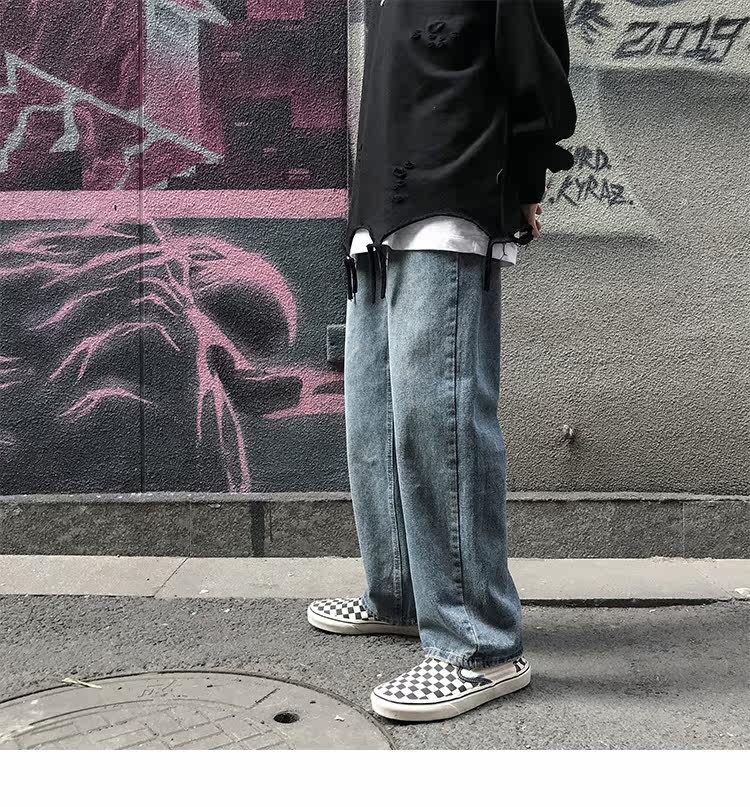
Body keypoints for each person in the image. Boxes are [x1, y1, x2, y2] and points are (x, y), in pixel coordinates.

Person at [307, 0, 577, 722]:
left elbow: (536, 59)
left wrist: (526, 180)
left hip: (454, 190)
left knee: (439, 419)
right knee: (375, 416)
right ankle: (400, 592)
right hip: (381, 204)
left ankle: (478, 643)